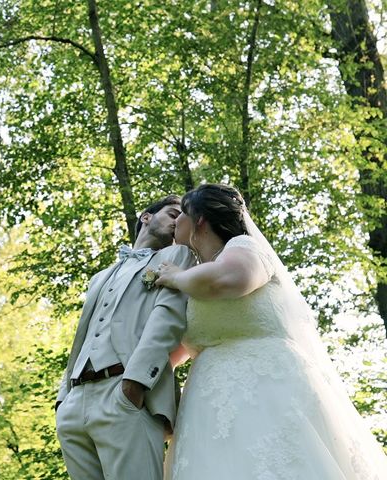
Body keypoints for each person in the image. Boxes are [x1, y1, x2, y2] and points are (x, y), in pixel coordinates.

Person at [155, 183, 387, 479]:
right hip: (207, 405)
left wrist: (177, 277)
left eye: (182, 213)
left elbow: (233, 278)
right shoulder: (193, 278)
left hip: (267, 391)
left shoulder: (244, 247)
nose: (176, 221)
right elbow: (176, 352)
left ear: (200, 219)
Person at [55, 195, 196, 480]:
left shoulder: (177, 257)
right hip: (74, 402)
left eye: (183, 218)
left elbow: (166, 320)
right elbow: (81, 338)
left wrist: (135, 385)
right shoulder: (99, 277)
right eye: (172, 213)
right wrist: (62, 399)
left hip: (125, 396)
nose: (178, 221)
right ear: (146, 217)